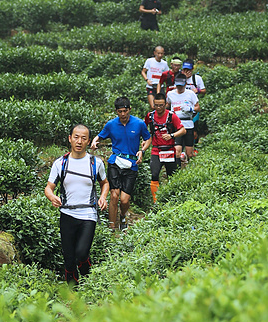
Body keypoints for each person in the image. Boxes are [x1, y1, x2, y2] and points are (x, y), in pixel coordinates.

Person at [45, 123, 108, 286]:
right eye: (76, 137)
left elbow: (105, 183)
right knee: (69, 257)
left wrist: (103, 197)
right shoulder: (60, 163)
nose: (79, 141)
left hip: (88, 215)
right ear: (70, 139)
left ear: (88, 141)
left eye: (84, 138)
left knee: (81, 253)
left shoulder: (96, 163)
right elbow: (49, 188)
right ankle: (73, 292)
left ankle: (87, 275)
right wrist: (52, 197)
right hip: (67, 214)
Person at [91, 96, 151, 232]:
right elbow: (99, 136)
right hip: (115, 161)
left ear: (129, 109)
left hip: (131, 163)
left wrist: (142, 150)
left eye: (125, 111)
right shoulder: (111, 124)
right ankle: (112, 226)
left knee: (124, 199)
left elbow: (148, 139)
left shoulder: (139, 123)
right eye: (120, 112)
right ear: (116, 111)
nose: (123, 114)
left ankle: (123, 216)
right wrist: (95, 141)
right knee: (114, 194)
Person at [144, 92, 185, 203]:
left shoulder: (171, 116)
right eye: (156, 105)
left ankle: (172, 200)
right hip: (156, 149)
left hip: (170, 149)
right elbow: (144, 127)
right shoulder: (150, 116)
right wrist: (144, 140)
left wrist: (172, 135)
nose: (159, 108)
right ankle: (155, 201)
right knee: (154, 174)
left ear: (166, 104)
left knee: (172, 176)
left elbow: (183, 130)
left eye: (161, 105)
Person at [166, 74, 200, 164]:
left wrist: (191, 109)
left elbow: (198, 107)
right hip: (176, 124)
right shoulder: (170, 94)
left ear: (185, 84)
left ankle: (188, 170)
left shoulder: (191, 94)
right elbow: (167, 105)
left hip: (188, 124)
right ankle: (176, 170)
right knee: (177, 150)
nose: (179, 87)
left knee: (189, 153)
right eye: (178, 85)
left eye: (181, 85)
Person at [141, 44, 169, 110]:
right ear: (155, 53)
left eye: (162, 53)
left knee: (162, 106)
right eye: (158, 53)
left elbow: (167, 75)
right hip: (151, 86)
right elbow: (143, 72)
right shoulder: (149, 61)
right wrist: (147, 80)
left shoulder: (164, 63)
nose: (160, 55)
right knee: (153, 106)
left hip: (160, 86)